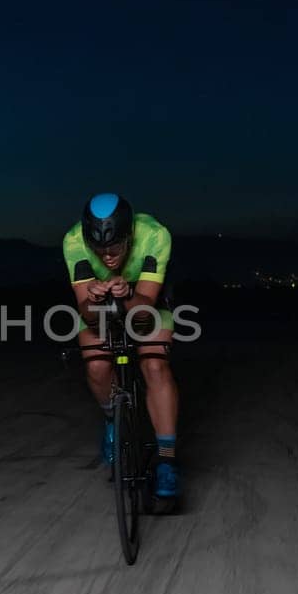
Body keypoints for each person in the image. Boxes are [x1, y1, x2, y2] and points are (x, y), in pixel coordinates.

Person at [61, 192, 180, 500]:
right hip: (99, 309)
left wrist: (126, 294)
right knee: (98, 365)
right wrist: (95, 298)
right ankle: (113, 421)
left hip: (143, 302)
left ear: (130, 235)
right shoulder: (74, 242)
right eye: (99, 248)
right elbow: (87, 315)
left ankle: (167, 461)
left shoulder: (155, 235)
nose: (107, 256)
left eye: (115, 246)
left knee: (154, 363)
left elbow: (142, 316)